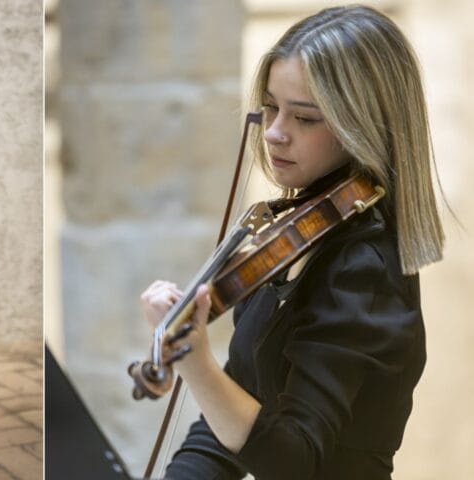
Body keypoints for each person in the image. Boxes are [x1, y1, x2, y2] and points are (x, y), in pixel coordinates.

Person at [140, 5, 444, 479]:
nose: (276, 133)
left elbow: (295, 460)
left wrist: (196, 366)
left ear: (362, 125)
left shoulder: (363, 274)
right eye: (271, 107)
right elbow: (235, 409)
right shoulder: (298, 238)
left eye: (304, 118)